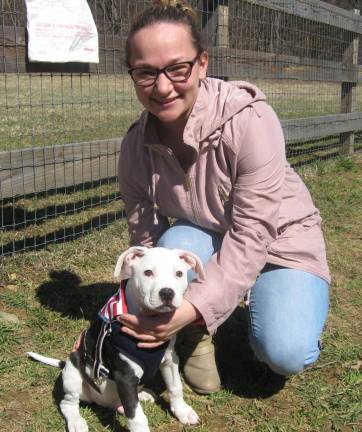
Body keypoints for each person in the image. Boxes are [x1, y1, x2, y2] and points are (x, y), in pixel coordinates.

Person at [114, 0, 330, 394]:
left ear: (202, 64)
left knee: (285, 352)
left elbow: (253, 233)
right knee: (171, 245)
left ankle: (264, 302)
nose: (162, 87)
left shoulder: (250, 120)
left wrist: (194, 305)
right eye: (146, 73)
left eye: (177, 68)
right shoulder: (134, 148)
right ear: (133, 75)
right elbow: (145, 239)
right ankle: (197, 337)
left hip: (282, 241)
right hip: (208, 237)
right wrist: (125, 310)